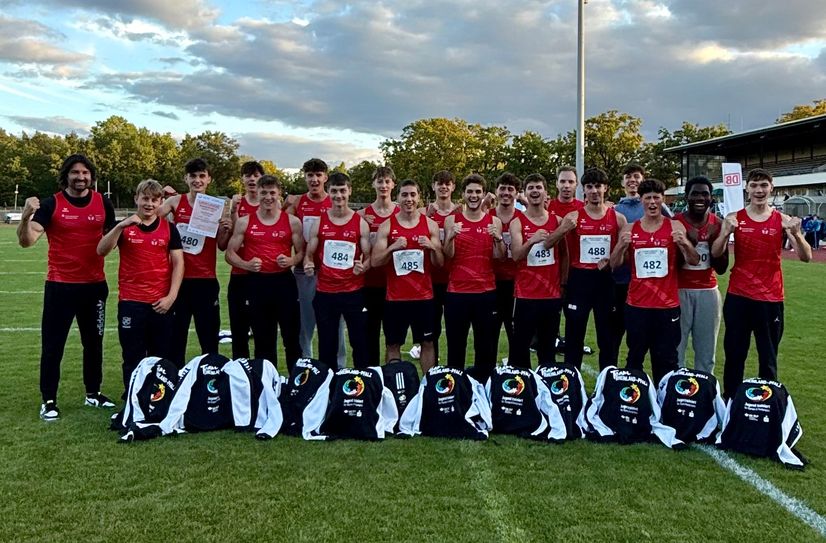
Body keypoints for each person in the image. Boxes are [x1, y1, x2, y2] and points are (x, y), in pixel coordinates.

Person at [17, 154, 117, 420]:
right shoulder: (52, 204)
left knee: (93, 344)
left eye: (85, 173)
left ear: (91, 176)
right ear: (66, 176)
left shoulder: (103, 202)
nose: (80, 177)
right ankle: (49, 400)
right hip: (60, 287)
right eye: (75, 172)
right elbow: (27, 241)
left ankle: (93, 393)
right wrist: (25, 217)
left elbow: (116, 236)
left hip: (95, 287)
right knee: (53, 346)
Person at [711, 168, 811, 399]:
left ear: (771, 188)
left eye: (764, 185)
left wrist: (797, 234)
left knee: (768, 357)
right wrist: (725, 232)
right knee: (735, 354)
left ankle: (766, 405)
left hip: (770, 299)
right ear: (747, 189)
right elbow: (716, 253)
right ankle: (731, 402)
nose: (759, 190)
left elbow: (805, 256)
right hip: (739, 297)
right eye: (754, 185)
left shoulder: (782, 220)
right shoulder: (735, 218)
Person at [97, 179, 184, 396]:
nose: (149, 204)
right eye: (145, 198)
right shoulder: (125, 227)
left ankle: (158, 400)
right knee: (132, 356)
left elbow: (179, 263)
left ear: (160, 202)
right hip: (131, 303)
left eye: (154, 200)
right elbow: (101, 250)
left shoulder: (169, 229)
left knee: (160, 357)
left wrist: (171, 296)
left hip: (160, 303)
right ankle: (133, 399)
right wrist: (120, 226)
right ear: (136, 198)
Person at [610, 178, 699, 386]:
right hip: (637, 305)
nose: (652, 202)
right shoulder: (630, 229)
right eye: (648, 198)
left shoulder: (674, 226)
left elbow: (694, 260)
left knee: (667, 360)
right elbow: (614, 264)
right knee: (635, 358)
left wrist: (684, 243)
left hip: (667, 307)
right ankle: (634, 399)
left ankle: (664, 400)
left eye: (656, 198)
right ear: (641, 200)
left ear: (662, 199)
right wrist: (621, 246)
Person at [157, 158, 231, 367]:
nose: (197, 180)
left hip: (205, 280)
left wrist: (226, 229)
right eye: (193, 176)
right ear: (186, 178)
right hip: (178, 280)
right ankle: (175, 378)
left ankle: (210, 378)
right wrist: (166, 221)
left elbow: (222, 245)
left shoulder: (216, 207)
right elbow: (151, 218)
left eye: (201, 176)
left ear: (208, 179)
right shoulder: (175, 202)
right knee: (176, 338)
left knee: (209, 338)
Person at [550, 167, 626, 370]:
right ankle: (571, 382)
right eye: (589, 187)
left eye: (598, 186)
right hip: (579, 281)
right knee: (574, 337)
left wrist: (611, 261)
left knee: (607, 338)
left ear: (606, 188)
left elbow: (623, 257)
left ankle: (607, 381)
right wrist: (564, 281)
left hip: (605, 282)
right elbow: (560, 250)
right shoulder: (574, 217)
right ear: (583, 189)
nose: (594, 191)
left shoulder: (618, 219)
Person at [226, 175, 303, 371]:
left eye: (272, 193)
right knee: (263, 339)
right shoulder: (244, 222)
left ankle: (295, 382)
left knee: (291, 336)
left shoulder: (292, 221)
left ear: (279, 194)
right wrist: (246, 264)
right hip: (257, 284)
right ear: (257, 193)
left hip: (284, 283)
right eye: (264, 193)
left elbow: (302, 252)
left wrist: (292, 260)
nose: (268, 197)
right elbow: (229, 253)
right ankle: (267, 381)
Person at [372, 179, 443, 371]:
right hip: (395, 298)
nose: (409, 199)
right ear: (398, 197)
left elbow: (439, 263)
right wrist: (392, 248)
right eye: (404, 195)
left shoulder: (430, 225)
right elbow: (375, 261)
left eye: (412, 194)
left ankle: (427, 384)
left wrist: (432, 247)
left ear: (419, 197)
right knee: (393, 344)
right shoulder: (387, 226)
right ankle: (395, 383)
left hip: (424, 297)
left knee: (427, 343)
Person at [303, 172, 372, 369]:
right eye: (334, 191)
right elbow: (309, 255)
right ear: (329, 192)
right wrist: (308, 265)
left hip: (353, 292)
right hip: (326, 292)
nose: (338, 195)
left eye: (342, 190)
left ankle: (361, 381)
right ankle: (329, 383)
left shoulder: (360, 223)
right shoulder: (320, 222)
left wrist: (363, 267)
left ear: (349, 191)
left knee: (359, 343)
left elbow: (369, 258)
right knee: (327, 344)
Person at [443, 174, 506, 381]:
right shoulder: (452, 220)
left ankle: (484, 389)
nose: (474, 195)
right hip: (457, 292)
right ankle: (456, 390)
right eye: (470, 191)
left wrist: (498, 239)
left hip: (485, 293)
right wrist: (450, 237)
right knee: (455, 347)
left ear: (483, 194)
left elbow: (500, 256)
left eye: (478, 192)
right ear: (463, 194)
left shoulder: (494, 221)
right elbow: (448, 255)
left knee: (485, 348)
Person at [285, 158, 346, 367]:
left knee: (336, 324)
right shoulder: (297, 202)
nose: (314, 179)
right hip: (304, 272)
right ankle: (307, 369)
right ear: (304, 177)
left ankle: (338, 369)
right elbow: (280, 223)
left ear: (325, 177)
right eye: (310, 175)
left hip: (332, 273)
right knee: (305, 325)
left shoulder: (334, 200)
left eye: (318, 175)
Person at [611, 164, 672, 359]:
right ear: (622, 182)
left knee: (656, 341)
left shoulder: (660, 207)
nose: (632, 180)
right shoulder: (615, 210)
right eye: (628, 177)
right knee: (616, 334)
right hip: (621, 281)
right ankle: (613, 372)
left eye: (636, 176)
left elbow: (673, 232)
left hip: (652, 286)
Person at [508, 173, 565, 367]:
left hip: (551, 295)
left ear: (546, 193)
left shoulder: (557, 221)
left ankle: (545, 381)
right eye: (530, 188)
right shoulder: (517, 222)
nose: (535, 191)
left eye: (538, 187)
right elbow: (516, 255)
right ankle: (523, 384)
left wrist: (563, 284)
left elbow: (564, 255)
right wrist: (531, 241)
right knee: (520, 348)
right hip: (526, 295)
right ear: (525, 193)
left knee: (547, 349)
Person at [675, 176, 729, 373]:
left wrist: (717, 242)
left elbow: (722, 268)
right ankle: (674, 387)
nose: (700, 198)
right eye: (695, 194)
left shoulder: (718, 224)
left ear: (711, 198)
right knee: (676, 350)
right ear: (686, 197)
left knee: (706, 353)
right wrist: (688, 244)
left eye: (704, 194)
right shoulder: (675, 223)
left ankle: (705, 389)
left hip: (708, 291)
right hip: (679, 291)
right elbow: (672, 266)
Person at [359, 166, 399, 364]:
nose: (383, 185)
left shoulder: (402, 212)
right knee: (370, 334)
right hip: (369, 283)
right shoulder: (362, 215)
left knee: (393, 337)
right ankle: (372, 374)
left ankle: (392, 374)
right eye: (380, 181)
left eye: (387, 181)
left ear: (393, 185)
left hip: (396, 284)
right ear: (373, 184)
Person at [226, 160, 263, 359]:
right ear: (242, 179)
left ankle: (263, 370)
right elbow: (229, 239)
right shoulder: (236, 204)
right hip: (239, 274)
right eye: (248, 175)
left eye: (256, 175)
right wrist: (233, 212)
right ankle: (239, 370)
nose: (252, 179)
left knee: (262, 330)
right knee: (239, 330)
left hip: (262, 276)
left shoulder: (271, 205)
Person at [425, 170, 460, 363]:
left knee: (455, 328)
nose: (444, 187)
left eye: (448, 183)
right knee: (432, 330)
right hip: (430, 279)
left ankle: (454, 368)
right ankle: (435, 369)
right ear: (434, 186)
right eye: (440, 183)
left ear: (453, 187)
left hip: (455, 279)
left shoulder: (461, 212)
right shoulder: (423, 213)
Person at [488, 173, 522, 350]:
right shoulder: (487, 216)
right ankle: (488, 367)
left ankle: (515, 366)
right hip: (491, 282)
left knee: (515, 333)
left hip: (517, 282)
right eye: (502, 188)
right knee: (489, 333)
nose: (506, 193)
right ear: (496, 191)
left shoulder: (522, 218)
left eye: (510, 189)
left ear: (517, 193)